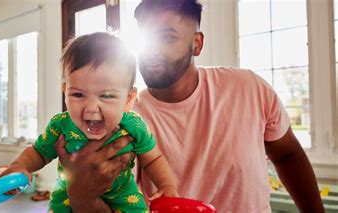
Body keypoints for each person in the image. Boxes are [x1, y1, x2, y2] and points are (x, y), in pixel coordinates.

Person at [56, 0, 326, 212]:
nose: (151, 50)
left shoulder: (249, 88)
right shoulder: (124, 117)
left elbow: (288, 156)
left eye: (168, 37)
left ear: (197, 43)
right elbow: (115, 204)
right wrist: (81, 196)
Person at [0, 32, 178, 212]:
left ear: (128, 99)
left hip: (124, 199)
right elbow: (38, 153)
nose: (91, 108)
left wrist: (167, 185)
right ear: (65, 90)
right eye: (78, 95)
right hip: (68, 199)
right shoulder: (60, 125)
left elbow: (153, 158)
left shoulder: (134, 125)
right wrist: (19, 166)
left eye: (106, 96)